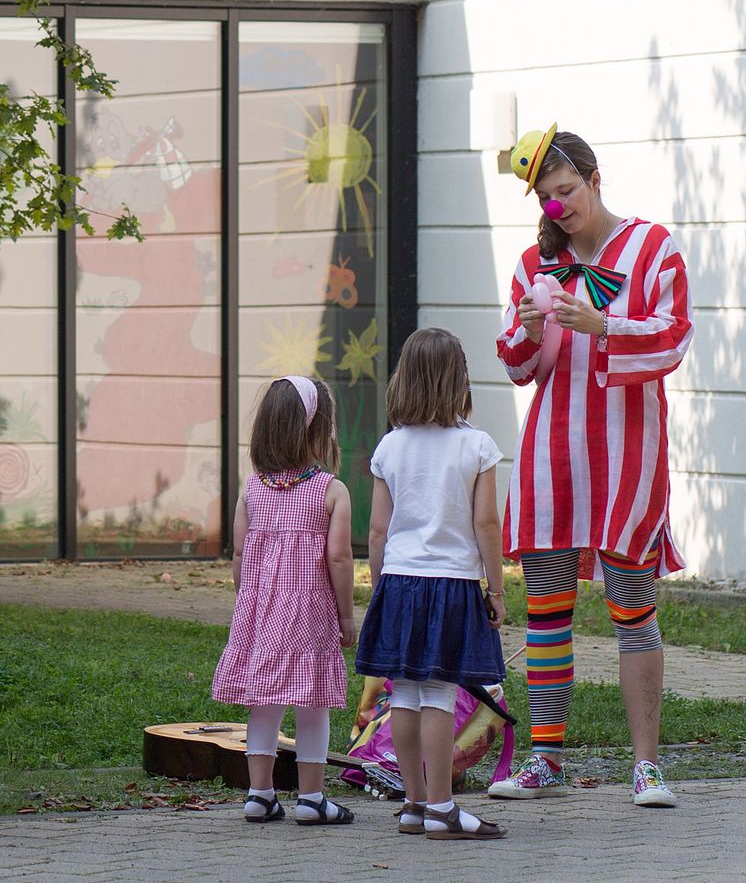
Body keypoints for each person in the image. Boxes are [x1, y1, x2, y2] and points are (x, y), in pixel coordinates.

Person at [489, 124, 693, 808]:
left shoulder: (653, 246)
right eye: (546, 198)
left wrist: (601, 325)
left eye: (567, 190)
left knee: (632, 607)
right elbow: (519, 368)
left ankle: (647, 766)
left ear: (595, 179)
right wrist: (528, 326)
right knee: (546, 610)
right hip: (553, 455)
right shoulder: (532, 262)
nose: (558, 207)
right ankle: (544, 758)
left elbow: (672, 339)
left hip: (629, 455)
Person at [356, 327, 508, 840]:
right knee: (440, 692)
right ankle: (444, 808)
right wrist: (496, 587)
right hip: (452, 584)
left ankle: (414, 805)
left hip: (399, 580)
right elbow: (485, 524)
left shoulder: (389, 447)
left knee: (404, 691)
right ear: (459, 380)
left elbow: (378, 528)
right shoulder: (478, 446)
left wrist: (381, 586)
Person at [212, 375, 356, 826]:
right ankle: (312, 799)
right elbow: (338, 557)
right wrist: (347, 615)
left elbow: (239, 553)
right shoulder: (331, 491)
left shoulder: (251, 489)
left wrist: (249, 600)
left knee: (265, 699)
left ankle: (260, 793)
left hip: (262, 610)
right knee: (312, 701)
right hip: (310, 610)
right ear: (317, 431)